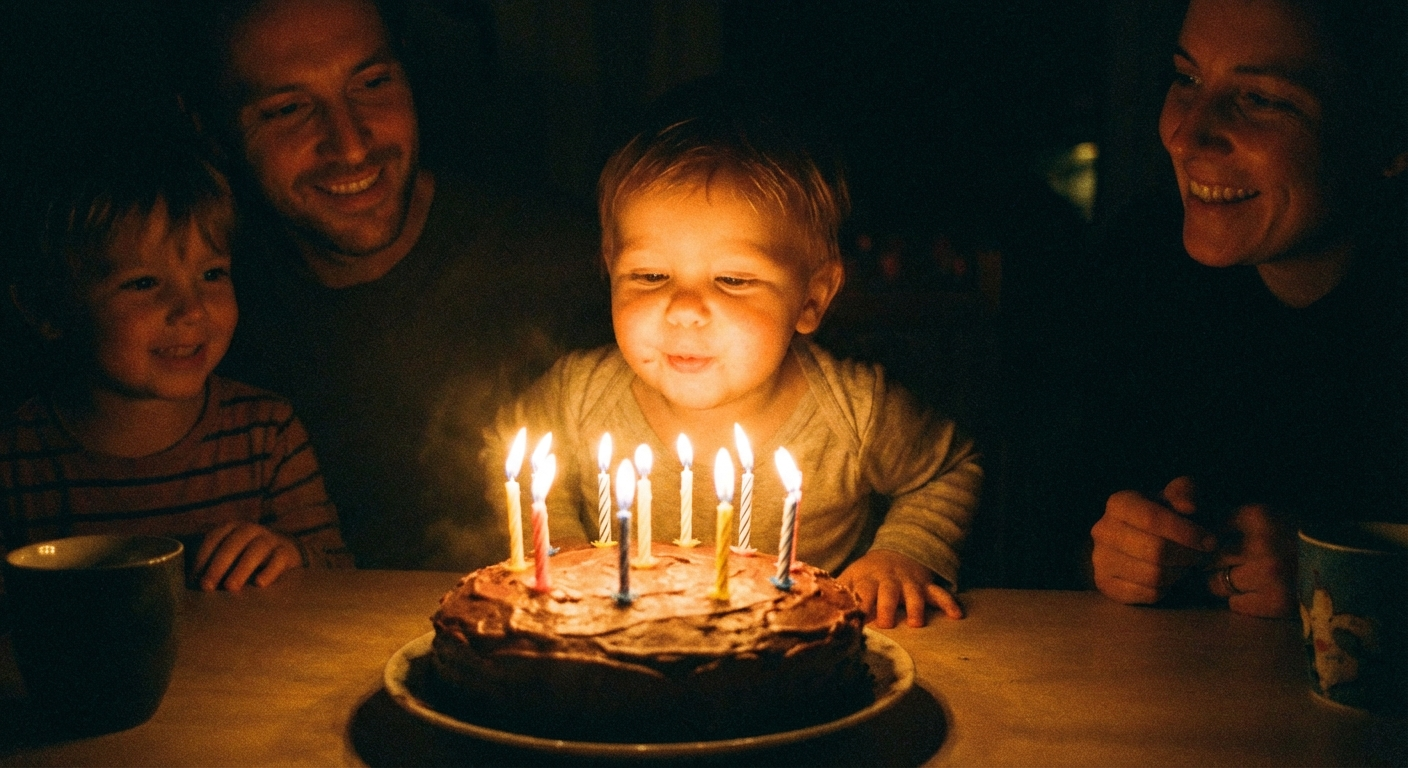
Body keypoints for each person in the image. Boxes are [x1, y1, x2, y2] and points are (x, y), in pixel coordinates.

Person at [486, 116, 983, 628]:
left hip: (792, 663)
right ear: (610, 267)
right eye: (650, 275)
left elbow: (949, 468)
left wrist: (904, 553)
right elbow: (509, 453)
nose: (683, 308)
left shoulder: (857, 410)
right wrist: (560, 543)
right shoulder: (578, 395)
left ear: (812, 296)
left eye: (733, 278)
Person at [190, 0, 611, 569]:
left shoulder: (573, 268)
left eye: (371, 83)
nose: (352, 143)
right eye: (288, 109)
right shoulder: (199, 315)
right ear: (210, 131)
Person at [1085, 0, 1408, 617]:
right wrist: (1114, 552)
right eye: (1186, 78)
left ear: (1389, 138)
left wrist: (1351, 575)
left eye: (1262, 99)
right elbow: (1051, 532)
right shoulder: (1135, 273)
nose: (1188, 133)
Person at [1, 138, 353, 591]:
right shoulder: (16, 462)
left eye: (211, 275)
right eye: (144, 283)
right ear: (46, 310)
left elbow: (342, 579)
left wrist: (290, 554)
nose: (192, 310)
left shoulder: (266, 434)